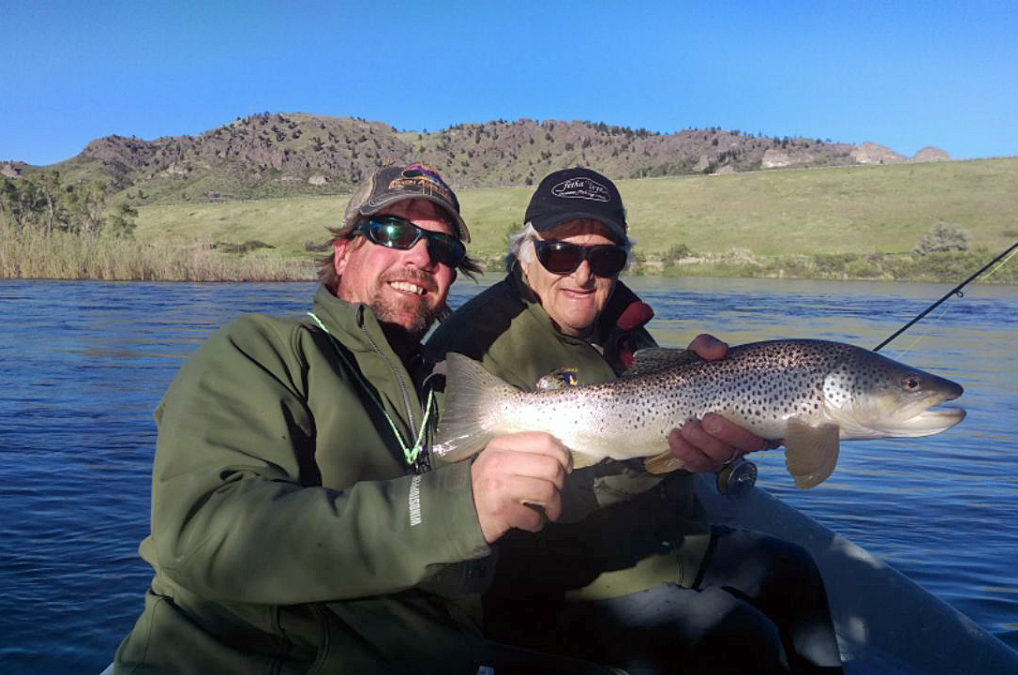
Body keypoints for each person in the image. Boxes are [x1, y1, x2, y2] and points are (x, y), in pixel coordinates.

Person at [112, 164, 577, 674]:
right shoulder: (261, 350)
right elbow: (203, 534)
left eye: (442, 249)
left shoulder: (450, 396)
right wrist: (456, 506)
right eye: (394, 231)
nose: (421, 256)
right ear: (343, 251)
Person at [428, 167, 844, 673]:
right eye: (559, 252)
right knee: (739, 638)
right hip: (561, 580)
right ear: (526, 253)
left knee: (797, 572)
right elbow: (465, 501)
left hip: (666, 542)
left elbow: (665, 428)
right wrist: (659, 462)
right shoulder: (477, 339)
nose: (582, 273)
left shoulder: (624, 325)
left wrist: (717, 442)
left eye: (604, 256)